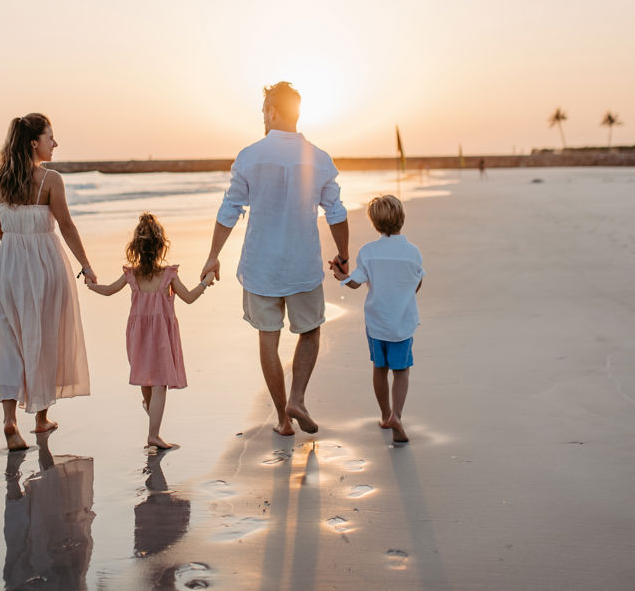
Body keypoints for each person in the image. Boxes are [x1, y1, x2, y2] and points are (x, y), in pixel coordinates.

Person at [201, 82, 349, 436]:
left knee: (268, 337)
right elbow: (336, 212)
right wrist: (344, 255)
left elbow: (230, 209)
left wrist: (213, 256)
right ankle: (297, 398)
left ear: (272, 111)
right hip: (303, 266)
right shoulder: (320, 158)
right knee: (310, 332)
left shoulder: (250, 156)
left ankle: (283, 420)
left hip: (260, 268)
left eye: (263, 111)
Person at [0, 113, 96, 451]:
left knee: (10, 340)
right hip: (45, 264)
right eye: (51, 137)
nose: (55, 143)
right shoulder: (51, 179)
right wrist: (86, 264)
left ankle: (9, 421)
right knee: (45, 337)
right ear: (34, 142)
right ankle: (40, 419)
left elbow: (2, 232)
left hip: (8, 266)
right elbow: (66, 225)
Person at [86, 213, 214, 450]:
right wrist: (205, 282)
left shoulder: (132, 275)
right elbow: (189, 298)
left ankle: (151, 417)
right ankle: (153, 435)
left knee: (147, 377)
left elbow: (108, 290)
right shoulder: (168, 275)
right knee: (160, 382)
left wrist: (91, 284)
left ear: (136, 248)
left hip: (137, 335)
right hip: (162, 336)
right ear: (160, 247)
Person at [333, 194, 424, 443]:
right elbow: (417, 283)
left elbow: (354, 283)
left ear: (374, 223)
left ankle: (384, 415)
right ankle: (397, 414)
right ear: (401, 218)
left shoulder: (369, 252)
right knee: (402, 371)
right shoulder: (412, 252)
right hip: (402, 323)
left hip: (376, 323)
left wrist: (339, 274)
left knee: (380, 368)